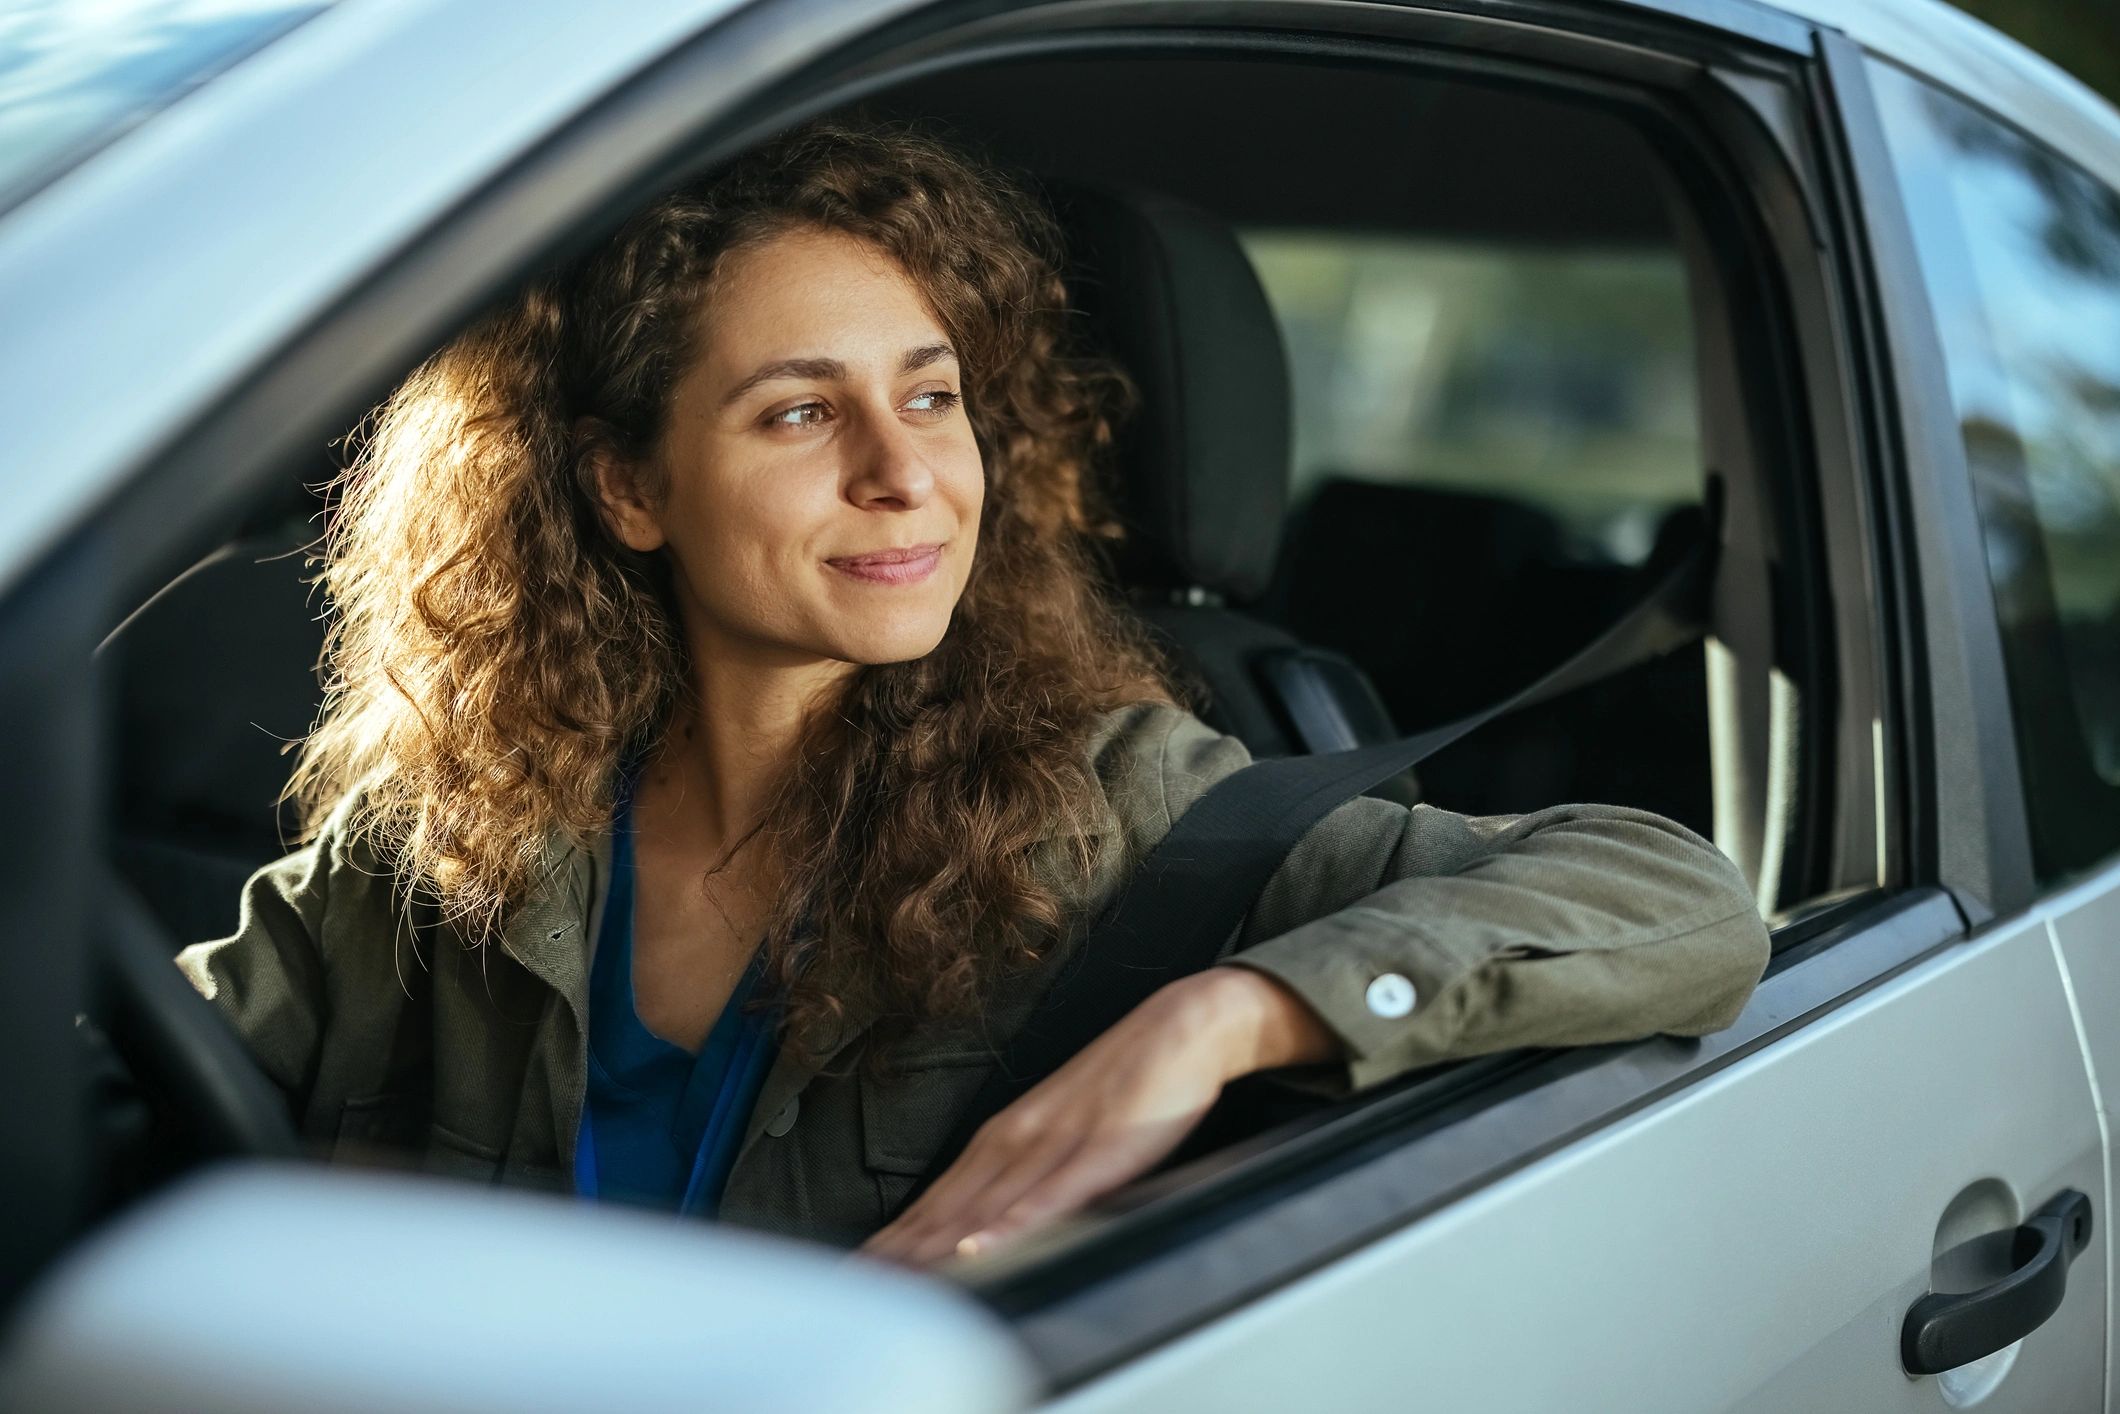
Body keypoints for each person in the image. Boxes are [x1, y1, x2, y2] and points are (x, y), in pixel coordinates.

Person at [175, 115, 1771, 1267]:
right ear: (627, 487)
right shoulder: (449, 841)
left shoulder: (1120, 803)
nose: (907, 475)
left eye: (930, 397)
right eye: (803, 414)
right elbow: (119, 1078)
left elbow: (1676, 892)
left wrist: (1228, 1013)